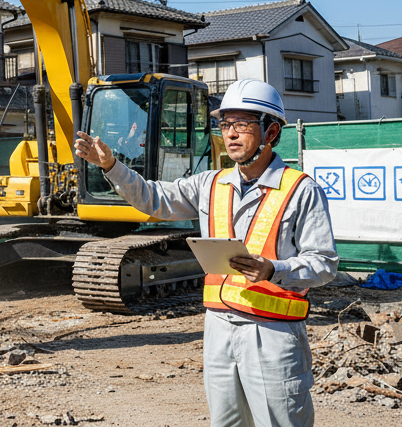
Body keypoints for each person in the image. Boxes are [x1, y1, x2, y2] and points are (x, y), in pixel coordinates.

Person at [74, 79, 337, 427]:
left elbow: (324, 263)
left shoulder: (301, 190)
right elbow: (154, 198)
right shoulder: (211, 183)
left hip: (272, 334)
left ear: (271, 131)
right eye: (225, 124)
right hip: (219, 329)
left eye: (242, 125)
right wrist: (111, 167)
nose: (230, 134)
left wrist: (273, 269)